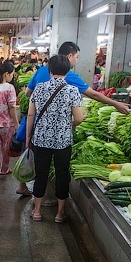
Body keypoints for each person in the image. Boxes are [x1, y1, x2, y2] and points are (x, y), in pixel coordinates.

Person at [26, 55, 84, 224]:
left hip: (41, 139)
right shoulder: (72, 90)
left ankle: (37, 211)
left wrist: (28, 137)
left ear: (49, 70)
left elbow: (31, 114)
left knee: (41, 174)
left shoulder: (39, 88)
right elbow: (79, 118)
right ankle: (60, 213)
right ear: (68, 70)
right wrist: (69, 125)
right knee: (62, 174)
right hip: (63, 141)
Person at [23, 41, 129, 113]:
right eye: (77, 57)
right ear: (70, 56)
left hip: (38, 126)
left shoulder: (40, 71)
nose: (77, 60)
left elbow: (27, 93)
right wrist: (115, 103)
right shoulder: (70, 76)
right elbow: (93, 95)